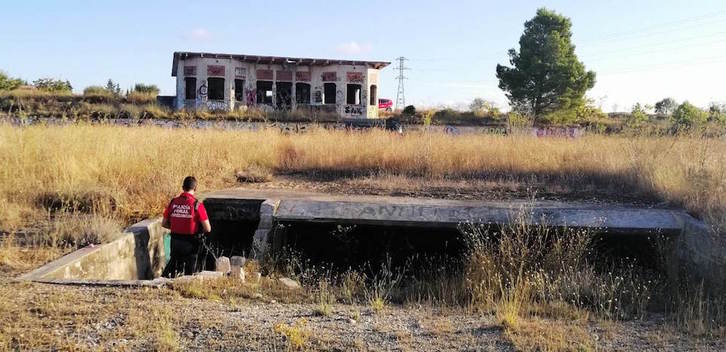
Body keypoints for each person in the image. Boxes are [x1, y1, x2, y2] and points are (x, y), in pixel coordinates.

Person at [161, 176, 212, 278]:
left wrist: (178, 226)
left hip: (175, 242)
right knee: (190, 273)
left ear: (183, 187)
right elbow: (207, 228)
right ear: (195, 189)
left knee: (174, 270)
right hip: (191, 244)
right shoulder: (197, 205)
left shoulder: (173, 202)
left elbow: (164, 223)